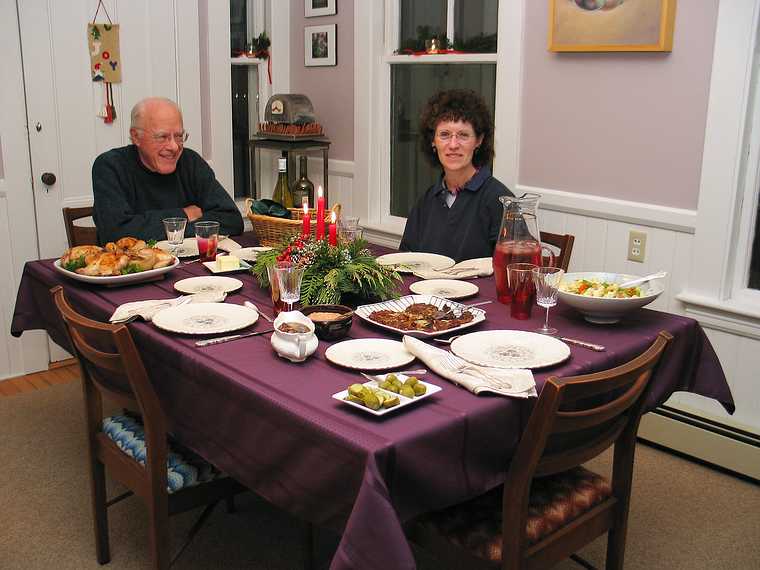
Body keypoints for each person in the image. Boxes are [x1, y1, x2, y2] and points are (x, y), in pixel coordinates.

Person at [92, 97, 243, 244]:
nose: (174, 147)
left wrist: (152, 227)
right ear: (136, 136)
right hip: (133, 268)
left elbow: (231, 220)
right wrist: (184, 215)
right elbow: (116, 235)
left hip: (189, 265)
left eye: (178, 136)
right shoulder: (110, 166)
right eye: (162, 137)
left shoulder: (191, 162)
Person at [399, 89, 513, 262]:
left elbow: (512, 276)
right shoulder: (426, 201)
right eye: (444, 135)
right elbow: (405, 262)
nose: (453, 145)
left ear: (479, 140)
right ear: (433, 141)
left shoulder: (501, 201)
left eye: (463, 135)